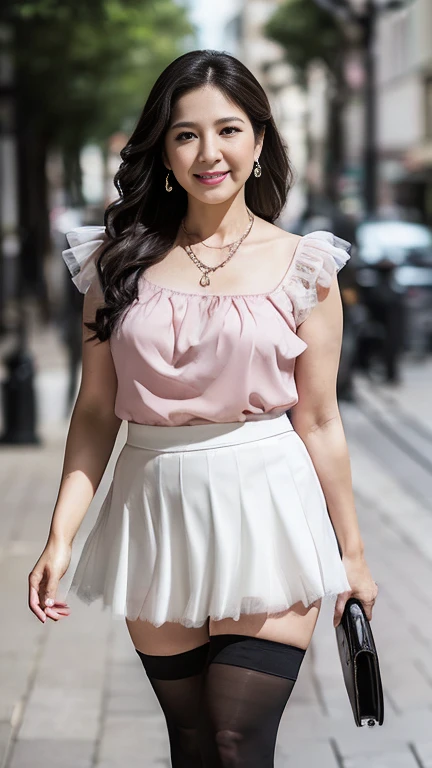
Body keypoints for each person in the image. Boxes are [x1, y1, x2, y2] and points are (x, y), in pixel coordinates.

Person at [28, 50, 378, 767]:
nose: (209, 152)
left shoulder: (304, 265)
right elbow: (96, 412)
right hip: (153, 510)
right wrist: (60, 537)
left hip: (267, 503)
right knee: (190, 744)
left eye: (228, 130)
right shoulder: (117, 265)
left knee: (236, 741)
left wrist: (352, 554)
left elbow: (318, 419)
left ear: (258, 142)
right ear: (162, 148)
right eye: (186, 134)